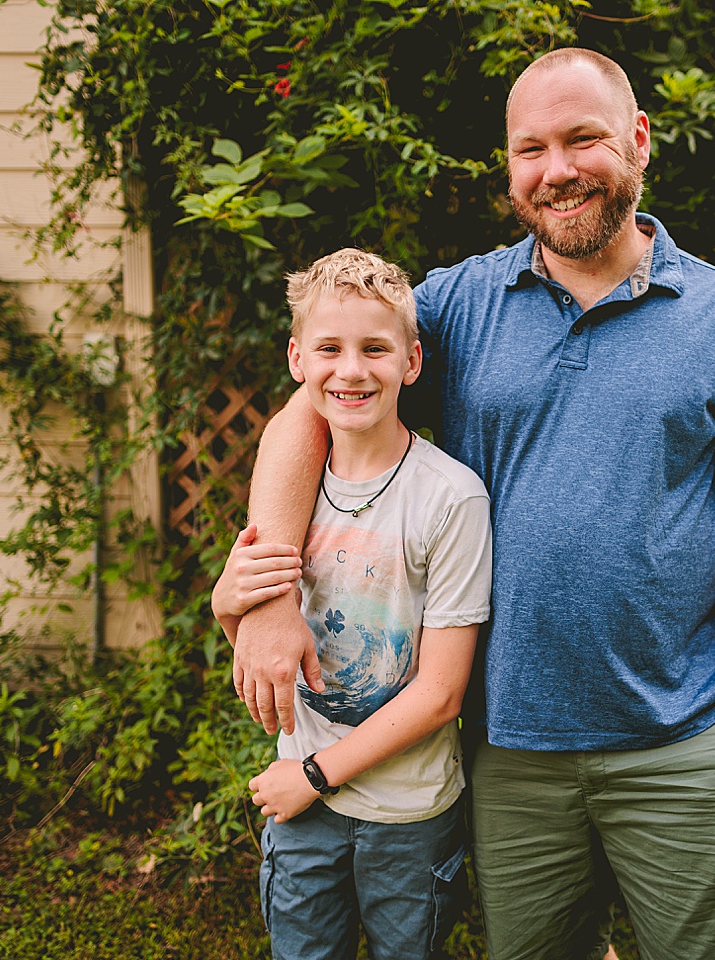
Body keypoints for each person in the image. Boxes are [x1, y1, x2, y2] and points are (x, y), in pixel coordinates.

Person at [219, 48, 715, 960]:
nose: (558, 170)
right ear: (509, 166)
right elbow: (311, 406)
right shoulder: (454, 307)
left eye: (583, 140)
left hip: (686, 735)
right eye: (532, 148)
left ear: (638, 140)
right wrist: (266, 596)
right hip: (509, 750)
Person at [211, 248, 493, 960]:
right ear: (297, 359)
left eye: (375, 348)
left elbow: (442, 692)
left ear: (412, 361)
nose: (352, 370)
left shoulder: (452, 497)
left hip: (408, 811)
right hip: (303, 811)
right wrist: (226, 604)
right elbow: (260, 654)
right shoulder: (288, 499)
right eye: (330, 349)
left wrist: (310, 776)